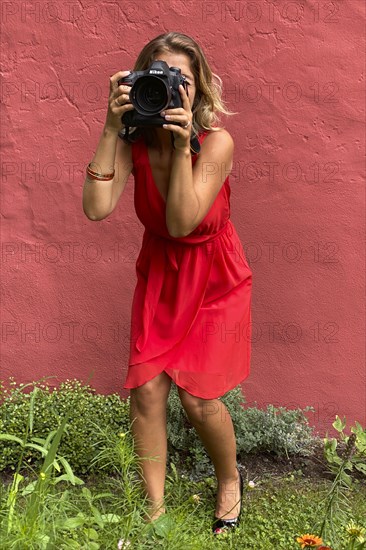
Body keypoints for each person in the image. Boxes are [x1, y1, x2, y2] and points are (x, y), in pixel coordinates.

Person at [82, 32, 253, 535]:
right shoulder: (134, 140)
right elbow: (96, 209)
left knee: (198, 400)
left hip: (214, 275)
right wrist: (112, 128)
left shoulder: (217, 142)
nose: (171, 88)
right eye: (160, 75)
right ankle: (154, 513)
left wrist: (182, 147)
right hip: (161, 272)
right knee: (148, 390)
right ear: (139, 79)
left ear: (198, 87)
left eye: (182, 79)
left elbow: (182, 222)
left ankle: (228, 480)